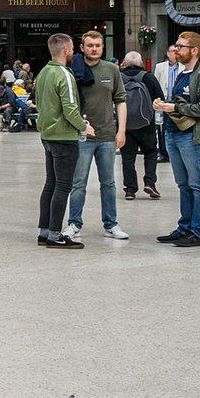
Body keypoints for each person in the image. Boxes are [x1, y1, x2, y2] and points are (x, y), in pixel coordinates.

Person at [152, 31, 200, 248]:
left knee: (197, 184)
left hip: (190, 136)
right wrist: (165, 106)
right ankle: (185, 227)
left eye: (181, 46)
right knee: (183, 185)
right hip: (172, 133)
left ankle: (198, 232)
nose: (176, 50)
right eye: (176, 46)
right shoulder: (182, 73)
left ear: (194, 50)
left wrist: (175, 107)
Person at [64, 30, 128, 242]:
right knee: (78, 182)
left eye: (98, 45)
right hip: (81, 136)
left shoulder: (112, 69)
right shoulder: (72, 70)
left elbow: (120, 100)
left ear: (103, 47)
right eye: (90, 45)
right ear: (82, 48)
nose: (94, 49)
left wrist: (121, 130)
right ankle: (74, 223)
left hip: (107, 135)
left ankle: (111, 224)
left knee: (108, 182)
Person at [36, 34, 88, 249]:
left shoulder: (43, 73)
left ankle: (44, 231)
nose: (74, 52)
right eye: (73, 48)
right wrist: (84, 126)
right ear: (65, 50)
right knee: (63, 185)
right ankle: (56, 235)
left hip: (47, 135)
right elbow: (70, 108)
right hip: (64, 136)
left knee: (50, 183)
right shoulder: (64, 74)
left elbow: (39, 103)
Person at [119, 52, 163, 200]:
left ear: (124, 63)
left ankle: (130, 189)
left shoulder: (119, 77)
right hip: (146, 123)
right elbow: (160, 99)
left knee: (128, 157)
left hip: (125, 124)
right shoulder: (148, 77)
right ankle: (150, 183)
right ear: (141, 63)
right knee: (150, 152)